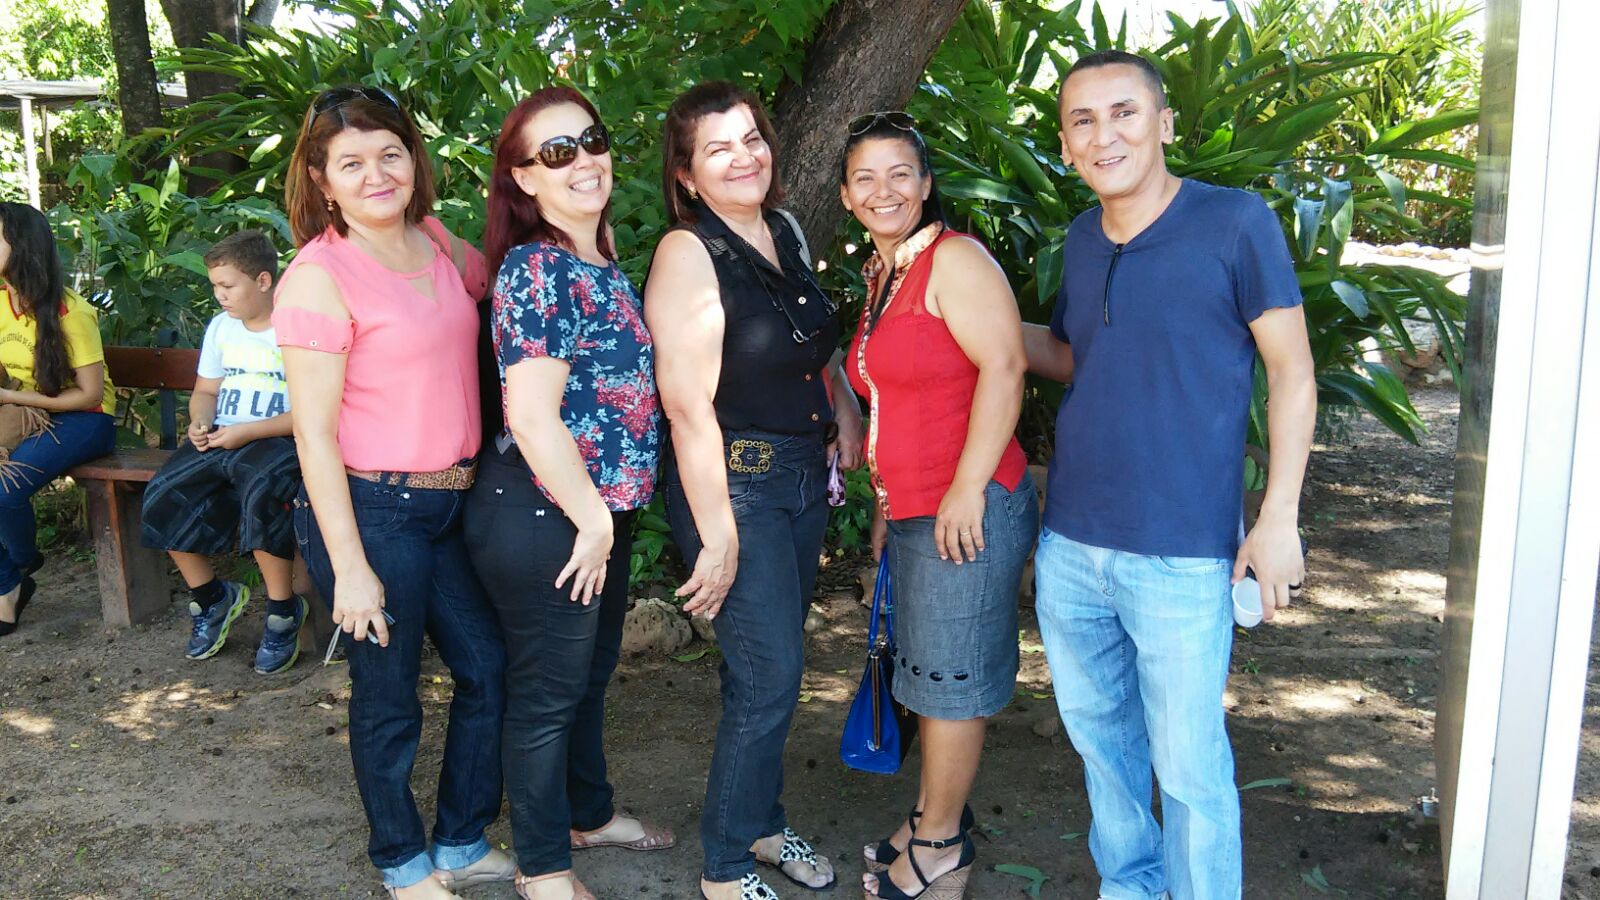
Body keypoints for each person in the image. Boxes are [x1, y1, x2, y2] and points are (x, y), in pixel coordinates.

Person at [1026, 51, 1316, 900]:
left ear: (1163, 123)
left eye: (1123, 113)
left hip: (1184, 552)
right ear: (1067, 144)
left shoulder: (1235, 223)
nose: (1103, 134)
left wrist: (1277, 518)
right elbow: (1079, 355)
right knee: (1103, 753)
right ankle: (1132, 888)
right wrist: (960, 315)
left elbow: (1292, 374)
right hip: (1073, 543)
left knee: (1190, 770)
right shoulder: (1082, 238)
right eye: (1083, 121)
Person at [272, 85, 512, 900]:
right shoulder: (316, 278)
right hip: (371, 512)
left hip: (452, 504)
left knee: (486, 669)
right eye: (350, 162)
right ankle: (402, 862)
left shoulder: (439, 242)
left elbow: (507, 291)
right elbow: (313, 434)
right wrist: (350, 568)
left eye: (389, 153)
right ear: (320, 177)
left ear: (413, 158)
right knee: (389, 693)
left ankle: (461, 839)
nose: (375, 174)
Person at [644, 80, 864, 900]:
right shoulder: (686, 252)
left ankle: (763, 825)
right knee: (773, 675)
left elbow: (815, 343)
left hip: (804, 479)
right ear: (688, 176)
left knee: (762, 673)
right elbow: (686, 407)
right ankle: (726, 866)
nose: (745, 157)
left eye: (751, 138)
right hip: (735, 487)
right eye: (718, 148)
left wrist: (841, 409)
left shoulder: (785, 228)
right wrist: (720, 534)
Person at [468, 86, 673, 900]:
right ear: (523, 180)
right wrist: (590, 520)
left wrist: (603, 519)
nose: (583, 160)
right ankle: (544, 866)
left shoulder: (599, 256)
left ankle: (586, 813)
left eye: (590, 140)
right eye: (556, 153)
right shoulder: (537, 268)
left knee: (585, 681)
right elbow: (531, 413)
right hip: (545, 514)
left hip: (595, 516)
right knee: (547, 696)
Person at [838, 112, 1037, 900]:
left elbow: (1007, 364)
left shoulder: (954, 260)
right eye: (865, 177)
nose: (883, 190)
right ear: (848, 195)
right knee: (925, 676)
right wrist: (889, 503)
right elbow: (897, 399)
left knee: (950, 683)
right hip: (920, 506)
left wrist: (962, 489)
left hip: (971, 503)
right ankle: (929, 815)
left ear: (925, 184)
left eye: (900, 174)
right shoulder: (883, 274)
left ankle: (942, 848)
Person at [139, 230, 306, 673]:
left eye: (228, 286)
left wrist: (246, 432)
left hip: (278, 439)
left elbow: (310, 412)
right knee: (162, 492)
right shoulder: (222, 328)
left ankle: (282, 611)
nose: (219, 296)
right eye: (215, 286)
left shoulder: (294, 328)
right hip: (221, 437)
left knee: (262, 493)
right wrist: (199, 420)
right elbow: (206, 391)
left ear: (264, 281)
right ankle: (212, 597)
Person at [0, 202, 117, 637]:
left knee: (4, 491)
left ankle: (21, 562)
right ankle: (8, 586)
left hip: (84, 419)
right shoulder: (0, 300)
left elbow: (88, 394)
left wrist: (12, 395)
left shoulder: (72, 312)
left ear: (23, 247)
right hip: (26, 412)